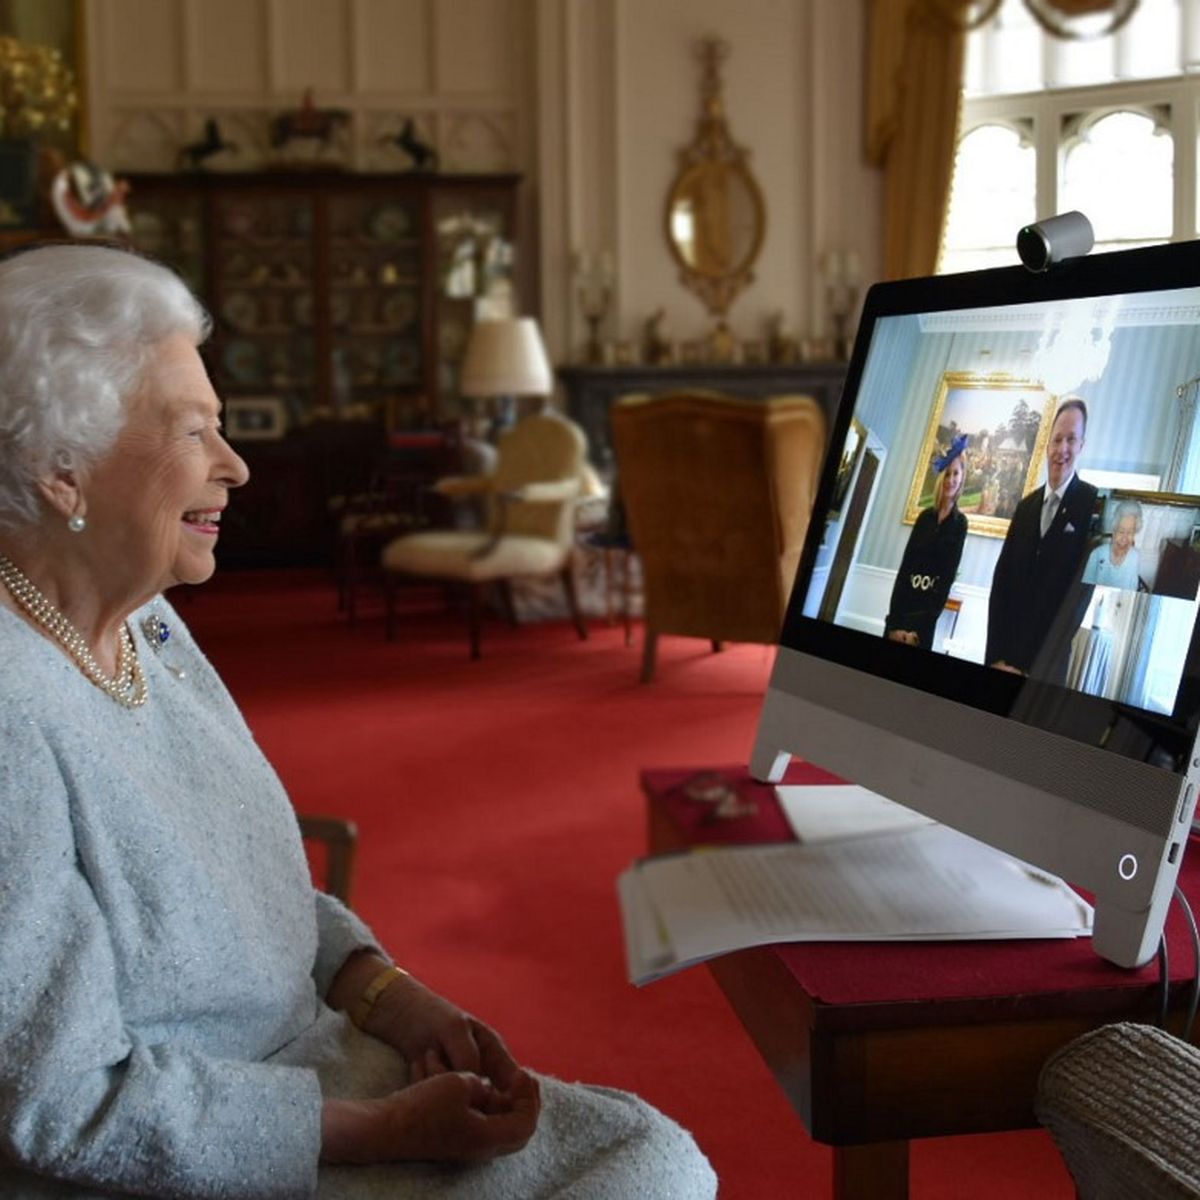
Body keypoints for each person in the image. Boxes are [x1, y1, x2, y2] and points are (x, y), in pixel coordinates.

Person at [0, 243, 717, 1200]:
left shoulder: (147, 626)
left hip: (314, 1063)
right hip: (206, 1147)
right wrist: (377, 1130)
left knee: (648, 1156)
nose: (237, 465)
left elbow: (254, 887)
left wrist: (386, 991)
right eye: (193, 432)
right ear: (63, 470)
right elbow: (66, 1107)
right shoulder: (12, 715)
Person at [986, 398, 1099, 678]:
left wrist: (1035, 670)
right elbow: (1001, 587)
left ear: (1081, 445)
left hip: (1046, 671)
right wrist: (995, 659)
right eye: (1057, 439)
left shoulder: (1092, 504)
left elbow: (1078, 599)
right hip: (1004, 661)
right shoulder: (1024, 508)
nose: (1062, 449)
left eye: (1071, 440)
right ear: (1047, 444)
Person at [884, 433, 968, 649]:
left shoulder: (960, 524)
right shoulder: (924, 518)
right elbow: (905, 570)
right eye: (947, 473)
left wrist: (917, 630)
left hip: (923, 623)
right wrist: (894, 623)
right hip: (902, 608)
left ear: (962, 476)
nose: (951, 480)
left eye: (955, 473)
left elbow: (946, 579)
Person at [1081, 499, 1143, 590]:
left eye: (1130, 532)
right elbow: (1085, 588)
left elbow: (1132, 588)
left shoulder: (1135, 556)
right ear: (1114, 530)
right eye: (1121, 531)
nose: (1124, 538)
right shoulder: (1097, 554)